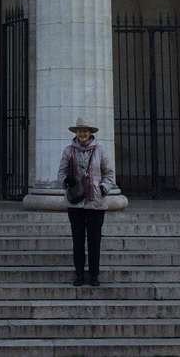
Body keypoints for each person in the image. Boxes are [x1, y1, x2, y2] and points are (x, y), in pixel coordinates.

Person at [58, 115, 115, 287]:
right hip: (75, 202)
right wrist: (66, 183)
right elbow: (61, 172)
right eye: (80, 130)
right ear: (76, 133)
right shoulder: (69, 151)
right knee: (78, 240)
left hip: (96, 202)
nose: (82, 133)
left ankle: (94, 274)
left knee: (94, 240)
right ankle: (79, 274)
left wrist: (104, 188)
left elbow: (109, 174)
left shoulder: (100, 151)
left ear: (90, 133)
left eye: (85, 130)